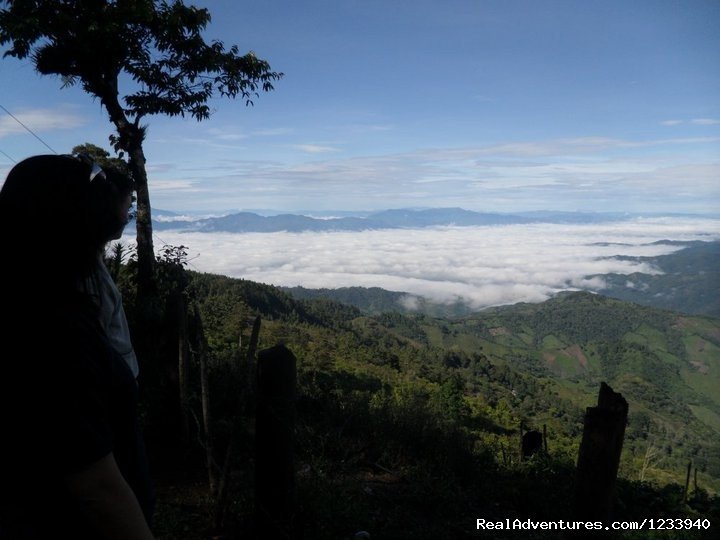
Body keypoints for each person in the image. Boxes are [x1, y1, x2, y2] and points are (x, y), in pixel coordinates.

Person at [0, 155, 154, 539]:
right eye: (95, 206)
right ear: (67, 218)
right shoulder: (55, 327)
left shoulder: (29, 298)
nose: (111, 216)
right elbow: (96, 487)